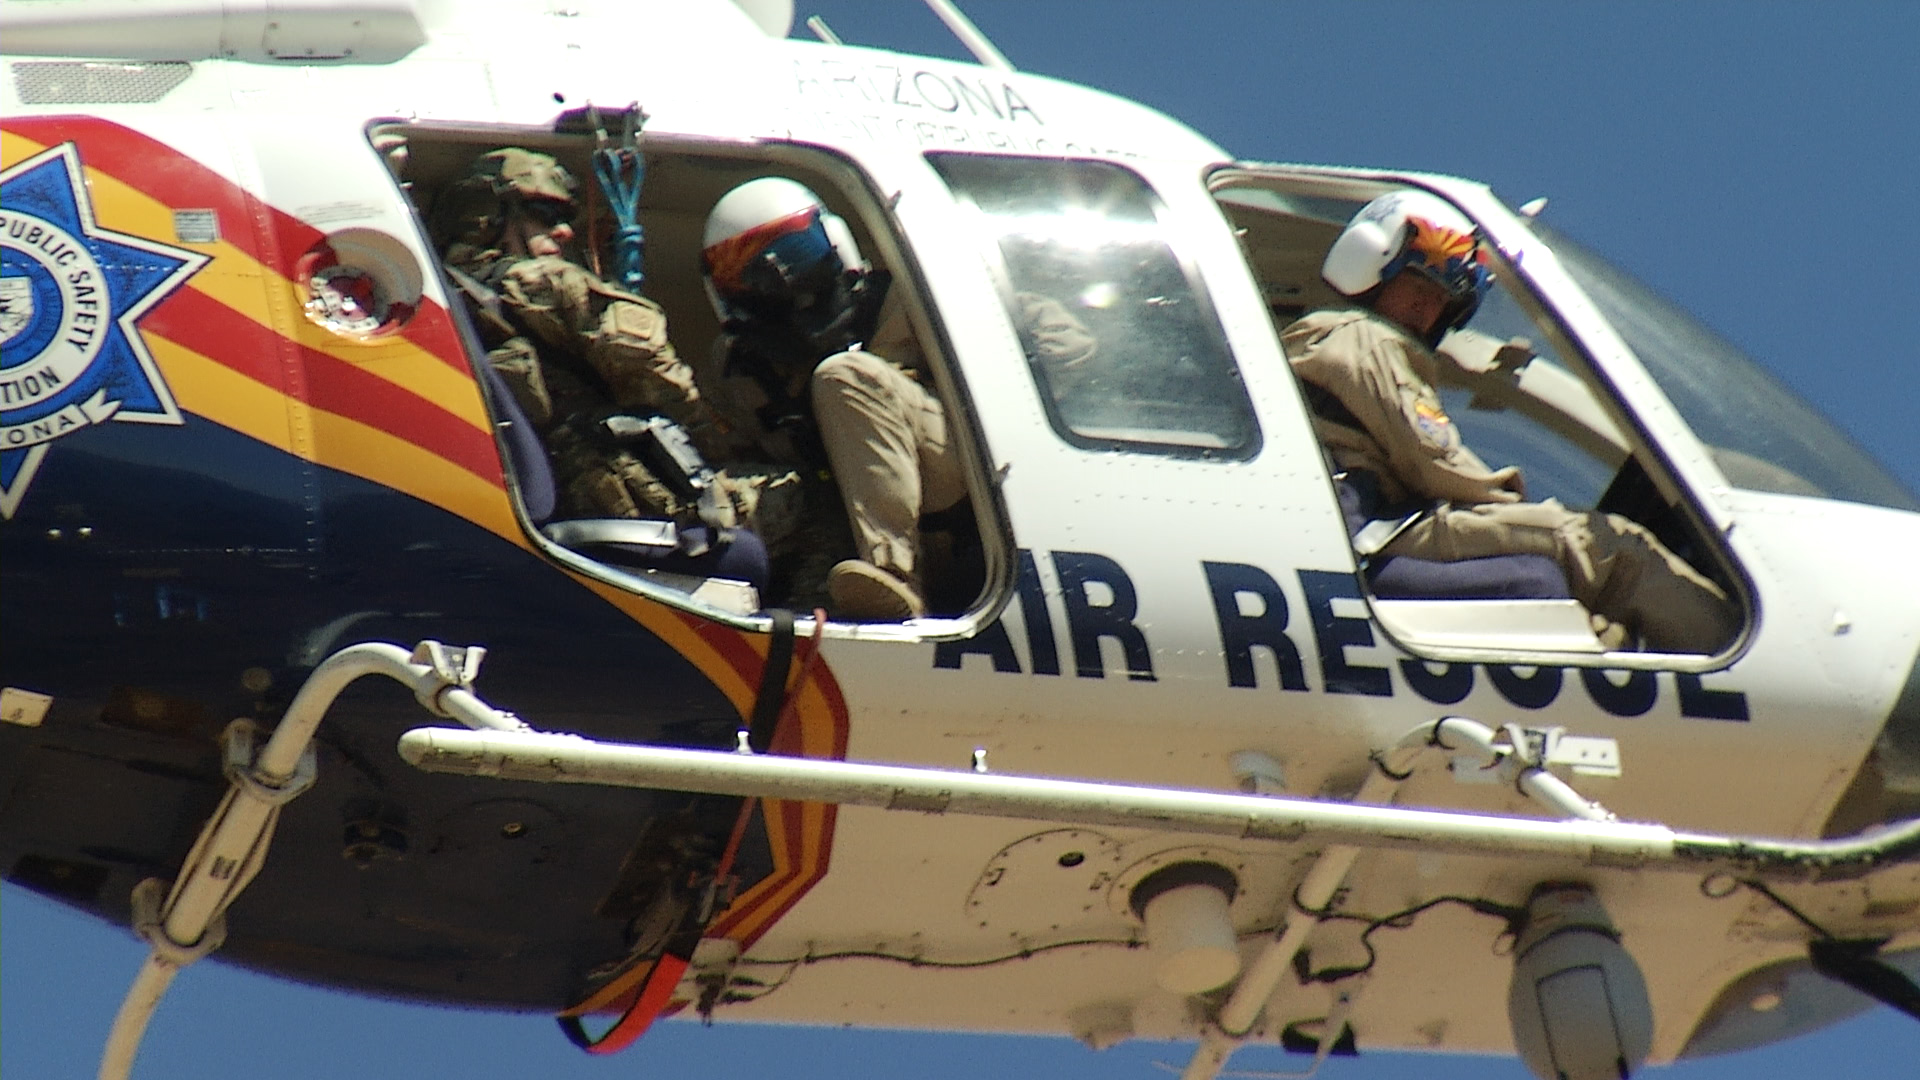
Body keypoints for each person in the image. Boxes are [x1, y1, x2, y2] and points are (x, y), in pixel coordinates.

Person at [1281, 190, 1739, 654]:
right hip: (1372, 528)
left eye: (1440, 303)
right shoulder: (1362, 338)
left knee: (1558, 590)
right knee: (1606, 546)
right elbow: (1436, 461)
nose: (1426, 311)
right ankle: (1736, 653)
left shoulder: (1327, 339)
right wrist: (1516, 505)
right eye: (1418, 289)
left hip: (1369, 526)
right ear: (1374, 272)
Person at [433, 148, 798, 554]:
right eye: (545, 214)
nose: (565, 232)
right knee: (803, 490)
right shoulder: (546, 283)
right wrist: (719, 447)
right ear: (489, 215)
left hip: (563, 505)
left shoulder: (445, 302)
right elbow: (651, 365)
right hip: (630, 504)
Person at [699, 177, 969, 621]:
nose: (778, 276)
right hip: (837, 516)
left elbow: (1058, 347)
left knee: (844, 375)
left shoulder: (913, 299)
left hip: (955, 475)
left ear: (832, 240)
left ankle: (894, 574)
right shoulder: (746, 371)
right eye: (743, 269)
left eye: (793, 251)